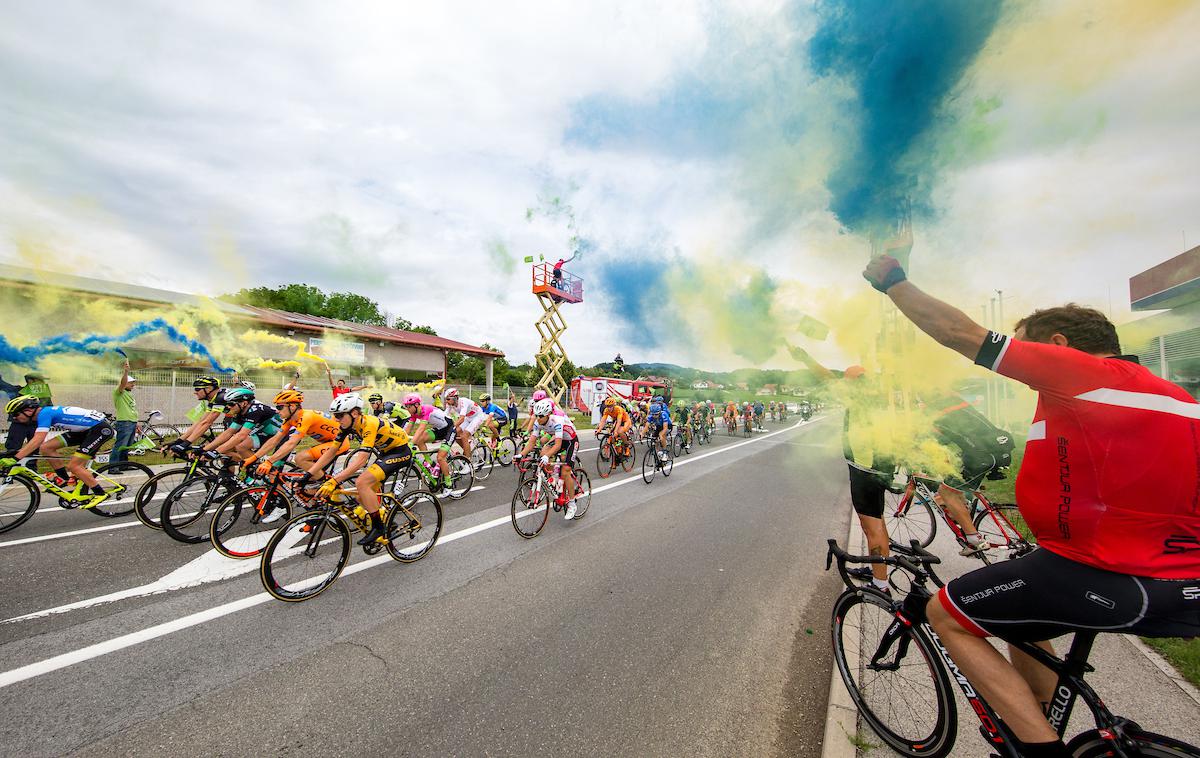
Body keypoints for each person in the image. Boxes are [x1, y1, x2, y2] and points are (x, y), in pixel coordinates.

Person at [863, 254, 1200, 757]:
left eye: (1031, 345)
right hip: (1178, 580)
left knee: (948, 612)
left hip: (1106, 571)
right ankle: (1037, 720)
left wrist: (892, 281)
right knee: (1020, 615)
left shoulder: (1079, 373)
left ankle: (1040, 750)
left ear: (1060, 345)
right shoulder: (1172, 396)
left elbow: (956, 331)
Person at [311, 393, 412, 546]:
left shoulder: (368, 424)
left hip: (400, 452)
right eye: (335, 415)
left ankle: (379, 527)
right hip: (385, 452)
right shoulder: (348, 425)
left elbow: (361, 461)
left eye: (339, 415)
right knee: (361, 497)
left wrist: (334, 481)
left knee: (362, 482)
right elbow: (332, 451)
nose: (336, 419)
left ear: (354, 413)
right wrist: (309, 473)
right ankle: (388, 523)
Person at [0, 396, 115, 505]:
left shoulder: (44, 414)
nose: (14, 418)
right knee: (46, 448)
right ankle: (65, 479)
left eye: (16, 414)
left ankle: (100, 493)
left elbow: (38, 439)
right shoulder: (45, 413)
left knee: (74, 466)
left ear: (28, 411)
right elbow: (38, 442)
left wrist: (16, 458)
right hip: (84, 430)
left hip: (99, 429)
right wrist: (17, 452)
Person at [519, 398, 582, 519]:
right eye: (536, 415)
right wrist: (521, 455)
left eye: (540, 416)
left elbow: (558, 445)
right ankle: (554, 480)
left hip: (570, 441)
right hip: (559, 438)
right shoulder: (538, 423)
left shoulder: (556, 421)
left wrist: (547, 457)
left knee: (565, 471)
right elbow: (532, 442)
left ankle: (572, 504)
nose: (538, 418)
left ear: (548, 414)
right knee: (544, 452)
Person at [401, 392, 456, 492]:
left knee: (440, 457)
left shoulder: (425, 410)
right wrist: (400, 439)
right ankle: (430, 463)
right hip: (439, 429)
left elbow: (421, 429)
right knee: (419, 439)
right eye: (406, 406)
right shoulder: (414, 414)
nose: (407, 409)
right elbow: (409, 428)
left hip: (449, 429)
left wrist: (410, 443)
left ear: (416, 405)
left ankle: (449, 483)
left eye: (409, 406)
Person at [110, 359, 138, 466]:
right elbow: (122, 383)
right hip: (124, 422)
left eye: (133, 382)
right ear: (124, 383)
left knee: (127, 445)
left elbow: (133, 409)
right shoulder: (119, 392)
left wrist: (136, 423)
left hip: (131, 422)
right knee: (120, 444)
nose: (133, 384)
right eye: (131, 382)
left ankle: (123, 465)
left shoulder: (129, 394)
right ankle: (113, 466)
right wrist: (126, 372)